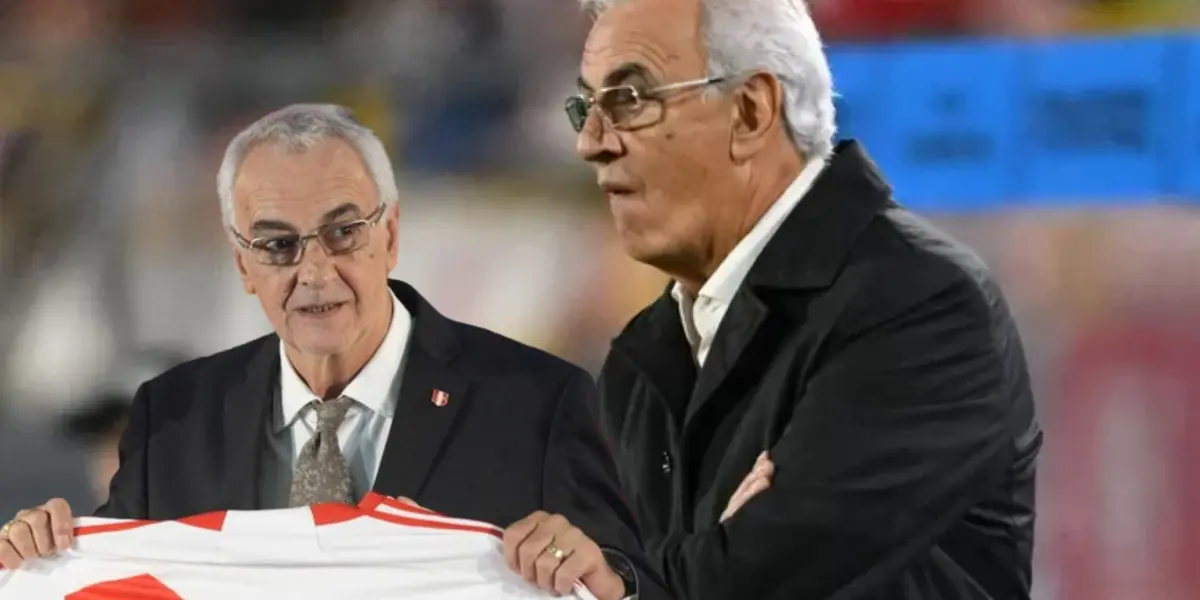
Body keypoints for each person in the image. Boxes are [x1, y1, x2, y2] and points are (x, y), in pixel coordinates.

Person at [0, 104, 667, 600]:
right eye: (277, 245)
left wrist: (606, 581)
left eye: (343, 232)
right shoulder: (173, 418)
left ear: (392, 232)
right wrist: (45, 556)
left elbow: (633, 578)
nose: (314, 271)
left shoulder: (536, 401)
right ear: (242, 263)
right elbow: (123, 582)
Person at [570, 0, 1041, 599]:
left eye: (630, 100)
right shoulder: (640, 364)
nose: (591, 142)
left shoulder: (920, 304)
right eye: (585, 106)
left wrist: (654, 572)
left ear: (749, 110)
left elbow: (752, 585)